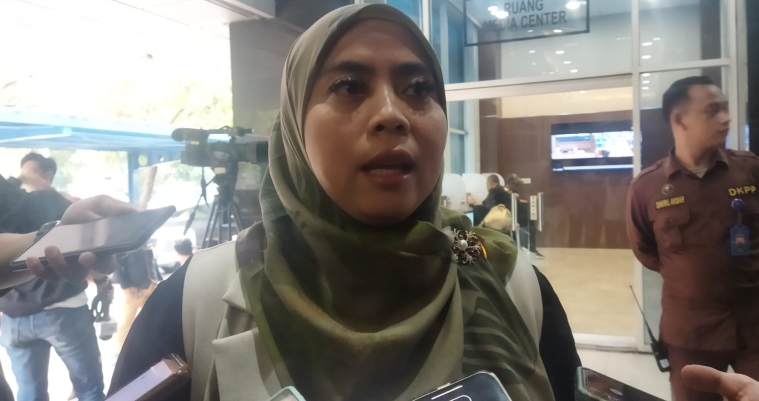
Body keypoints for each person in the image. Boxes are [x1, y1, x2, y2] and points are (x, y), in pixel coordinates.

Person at [111, 5, 575, 401]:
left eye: (418, 88)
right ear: (295, 124)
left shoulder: (510, 282)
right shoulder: (193, 303)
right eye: (350, 86)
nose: (391, 114)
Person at [626, 76, 759, 401]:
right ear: (680, 120)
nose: (726, 118)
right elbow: (645, 250)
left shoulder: (753, 171)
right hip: (691, 330)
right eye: (713, 110)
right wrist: (690, 276)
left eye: (725, 109)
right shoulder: (647, 188)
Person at [0, 194, 137, 401]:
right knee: (89, 388)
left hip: (14, 317)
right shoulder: (53, 200)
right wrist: (102, 285)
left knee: (29, 392)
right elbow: (88, 252)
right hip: (64, 309)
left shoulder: (9, 199)